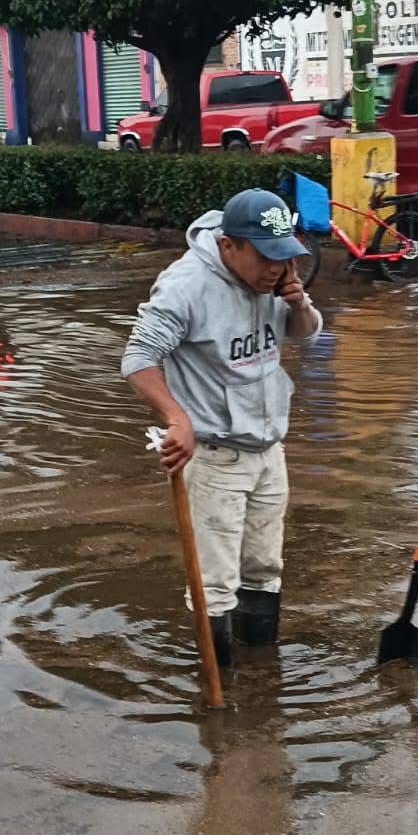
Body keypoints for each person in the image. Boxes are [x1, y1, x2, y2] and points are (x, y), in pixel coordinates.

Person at [121, 188, 323, 666]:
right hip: (215, 457)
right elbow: (138, 358)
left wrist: (298, 304)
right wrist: (177, 419)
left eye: (285, 255)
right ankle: (218, 689)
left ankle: (262, 676)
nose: (277, 268)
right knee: (214, 584)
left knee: (265, 569)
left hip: (269, 448)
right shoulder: (186, 286)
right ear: (229, 246)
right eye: (266, 257)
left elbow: (307, 334)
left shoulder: (277, 278)